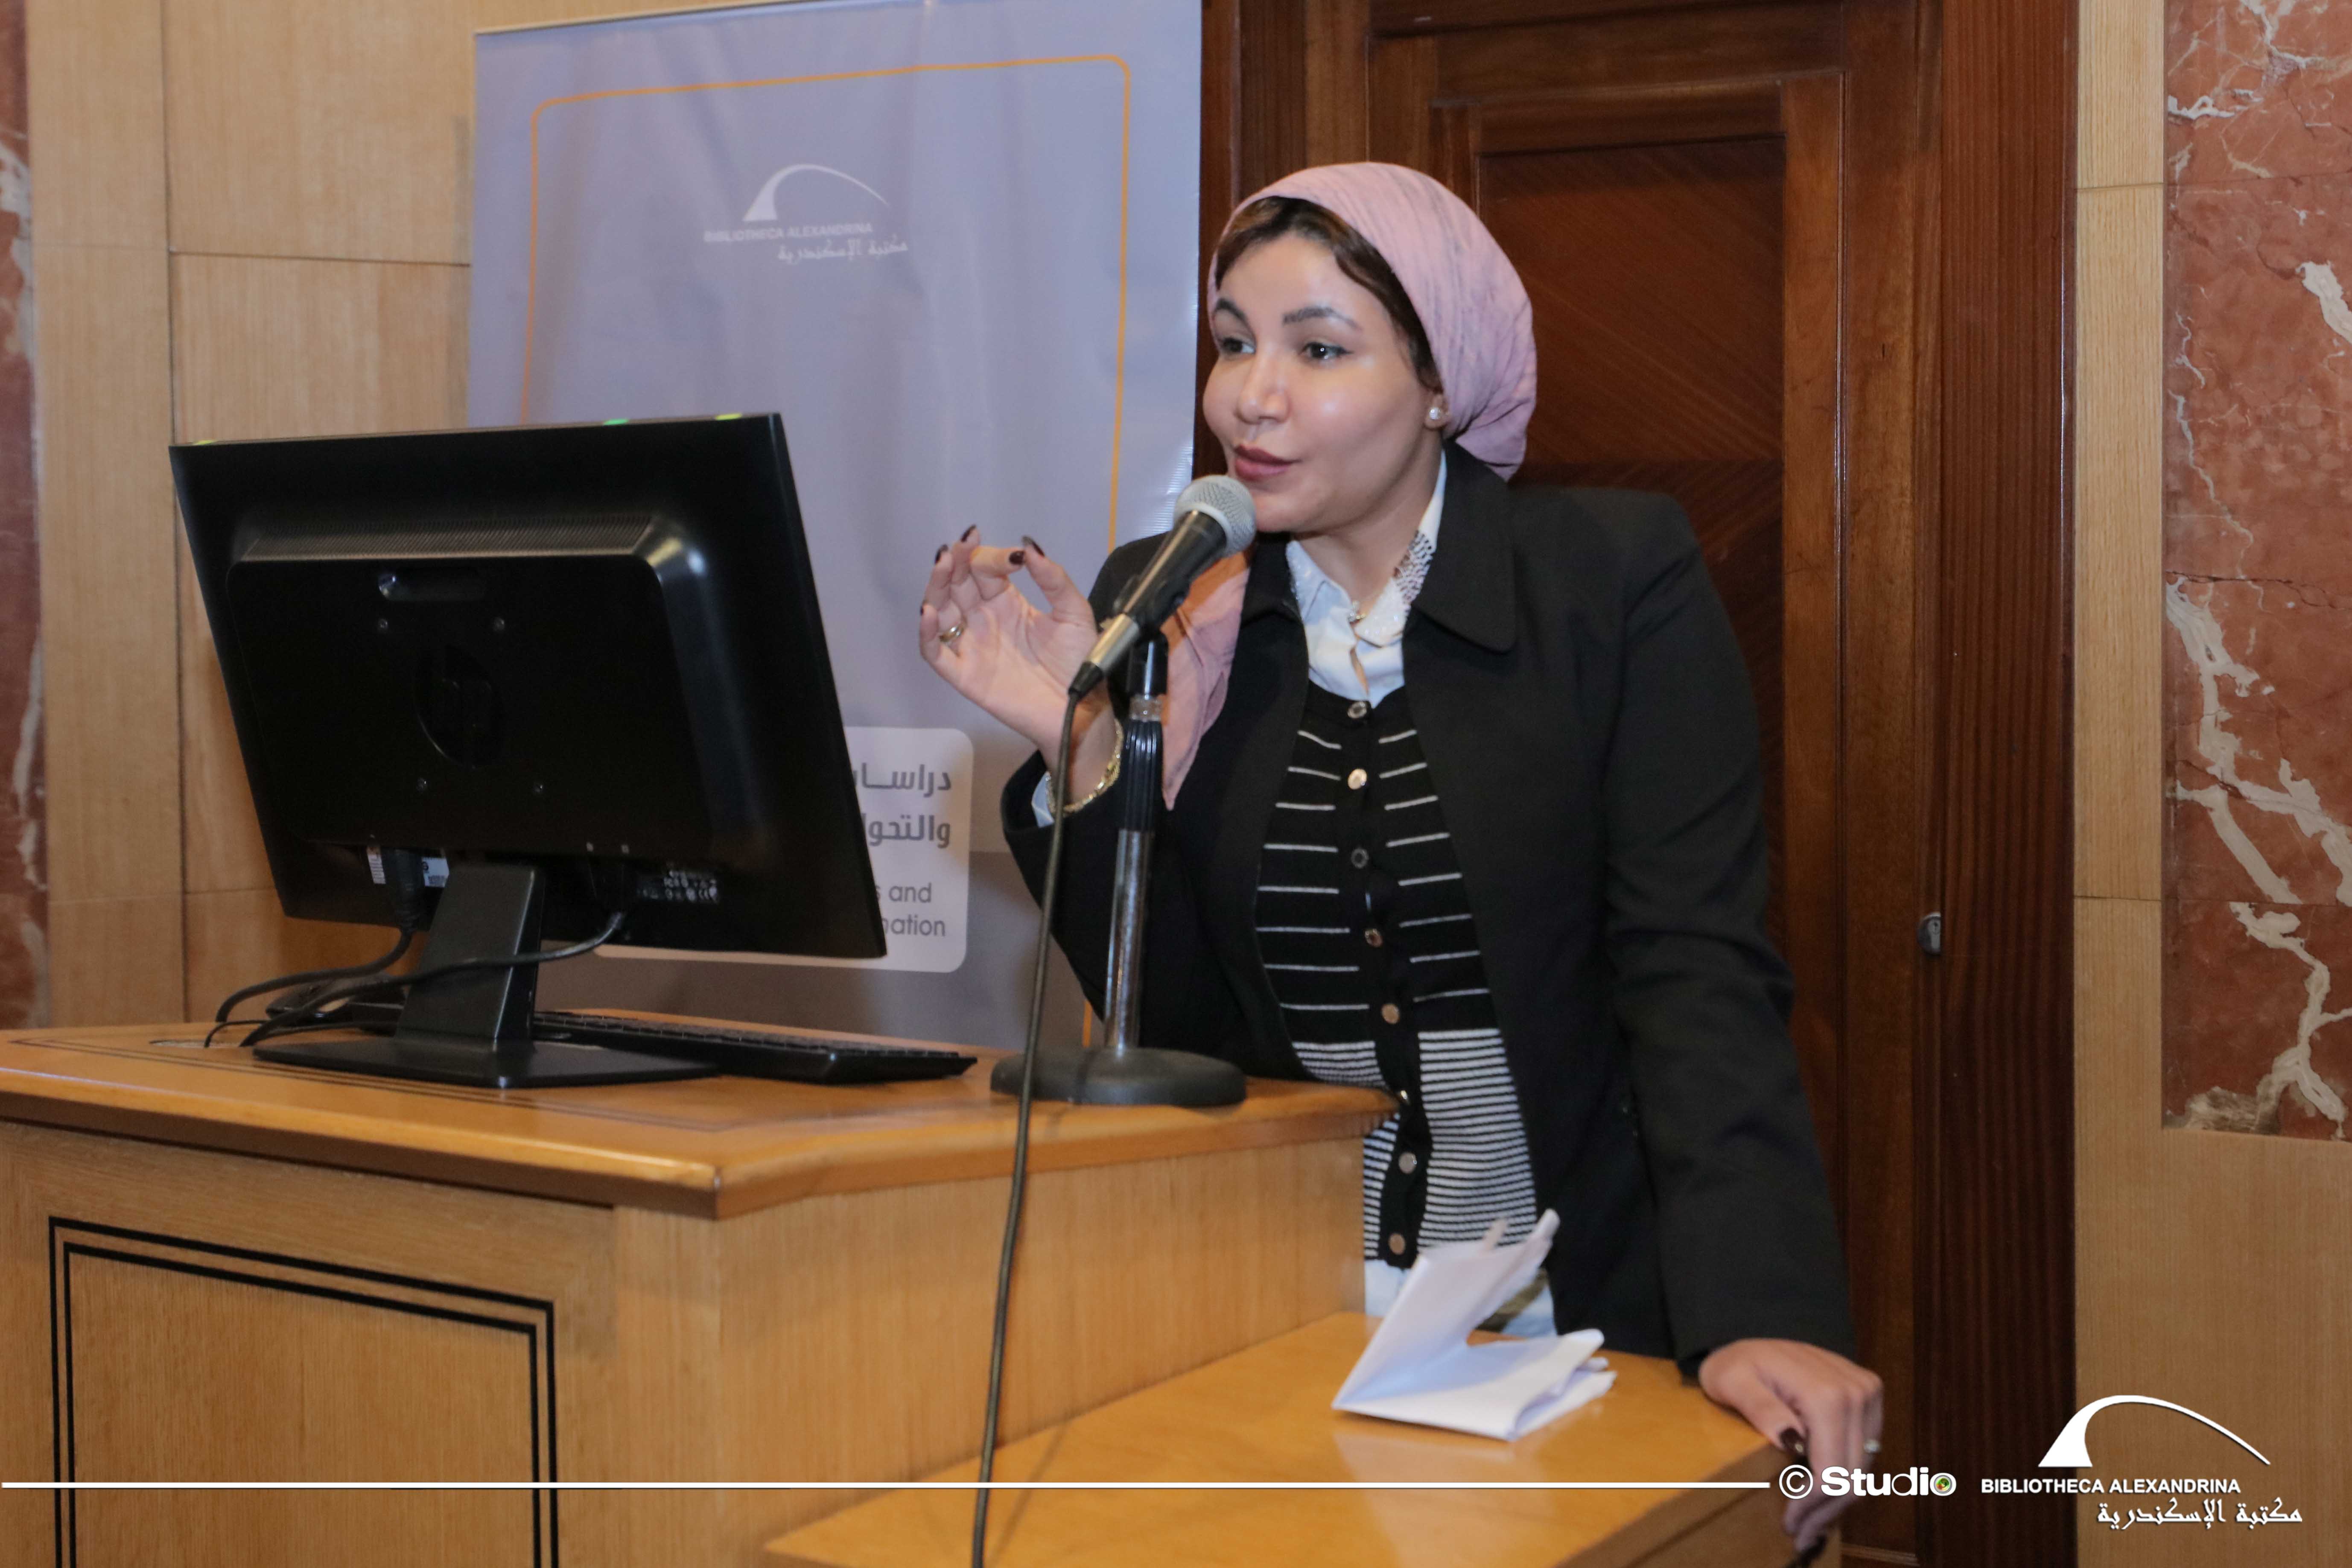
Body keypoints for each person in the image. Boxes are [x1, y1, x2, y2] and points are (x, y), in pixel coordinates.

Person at [918, 162, 1881, 1551]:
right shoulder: (1175, 609)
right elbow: (1185, 1041)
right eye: (1233, 342)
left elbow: (1696, 974)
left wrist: (1763, 1308)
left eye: (1318, 349)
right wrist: (1085, 751)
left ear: (1440, 382)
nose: (1251, 396)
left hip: (1584, 1341)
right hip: (1287, 1341)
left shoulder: (1609, 579)